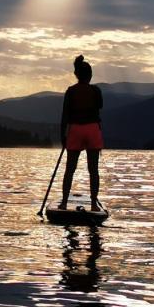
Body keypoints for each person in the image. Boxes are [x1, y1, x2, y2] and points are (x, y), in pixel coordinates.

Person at [59, 54, 103, 210]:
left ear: (76, 75)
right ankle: (93, 204)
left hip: (75, 130)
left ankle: (64, 203)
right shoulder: (96, 90)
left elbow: (65, 116)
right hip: (92, 130)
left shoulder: (70, 91)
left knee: (70, 169)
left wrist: (62, 136)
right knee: (93, 170)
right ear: (90, 76)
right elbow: (99, 107)